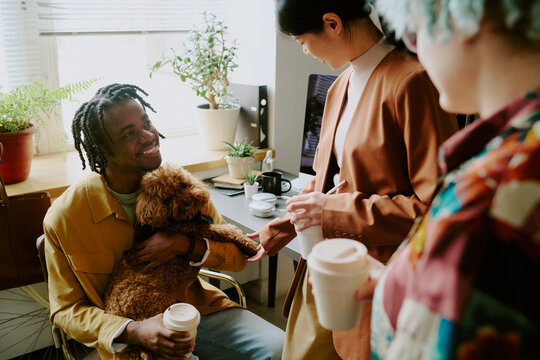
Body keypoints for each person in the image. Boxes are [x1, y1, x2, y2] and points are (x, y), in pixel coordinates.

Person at [246, 0, 458, 359]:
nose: (305, 51)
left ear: (332, 23)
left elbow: (434, 208)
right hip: (323, 266)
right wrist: (277, 230)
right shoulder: (341, 84)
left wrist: (333, 210)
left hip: (376, 275)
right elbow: (324, 180)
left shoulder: (413, 81)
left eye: (301, 41)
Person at [43, 84, 284, 360]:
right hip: (128, 335)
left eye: (147, 123)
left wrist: (185, 244)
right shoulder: (65, 217)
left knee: (282, 349)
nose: (148, 136)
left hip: (194, 310)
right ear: (102, 149)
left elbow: (237, 259)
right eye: (129, 133)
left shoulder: (180, 187)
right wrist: (133, 330)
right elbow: (65, 310)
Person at [358, 0, 540, 358]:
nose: (417, 50)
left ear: (462, 18)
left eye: (416, 31)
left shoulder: (484, 202)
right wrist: (410, 288)